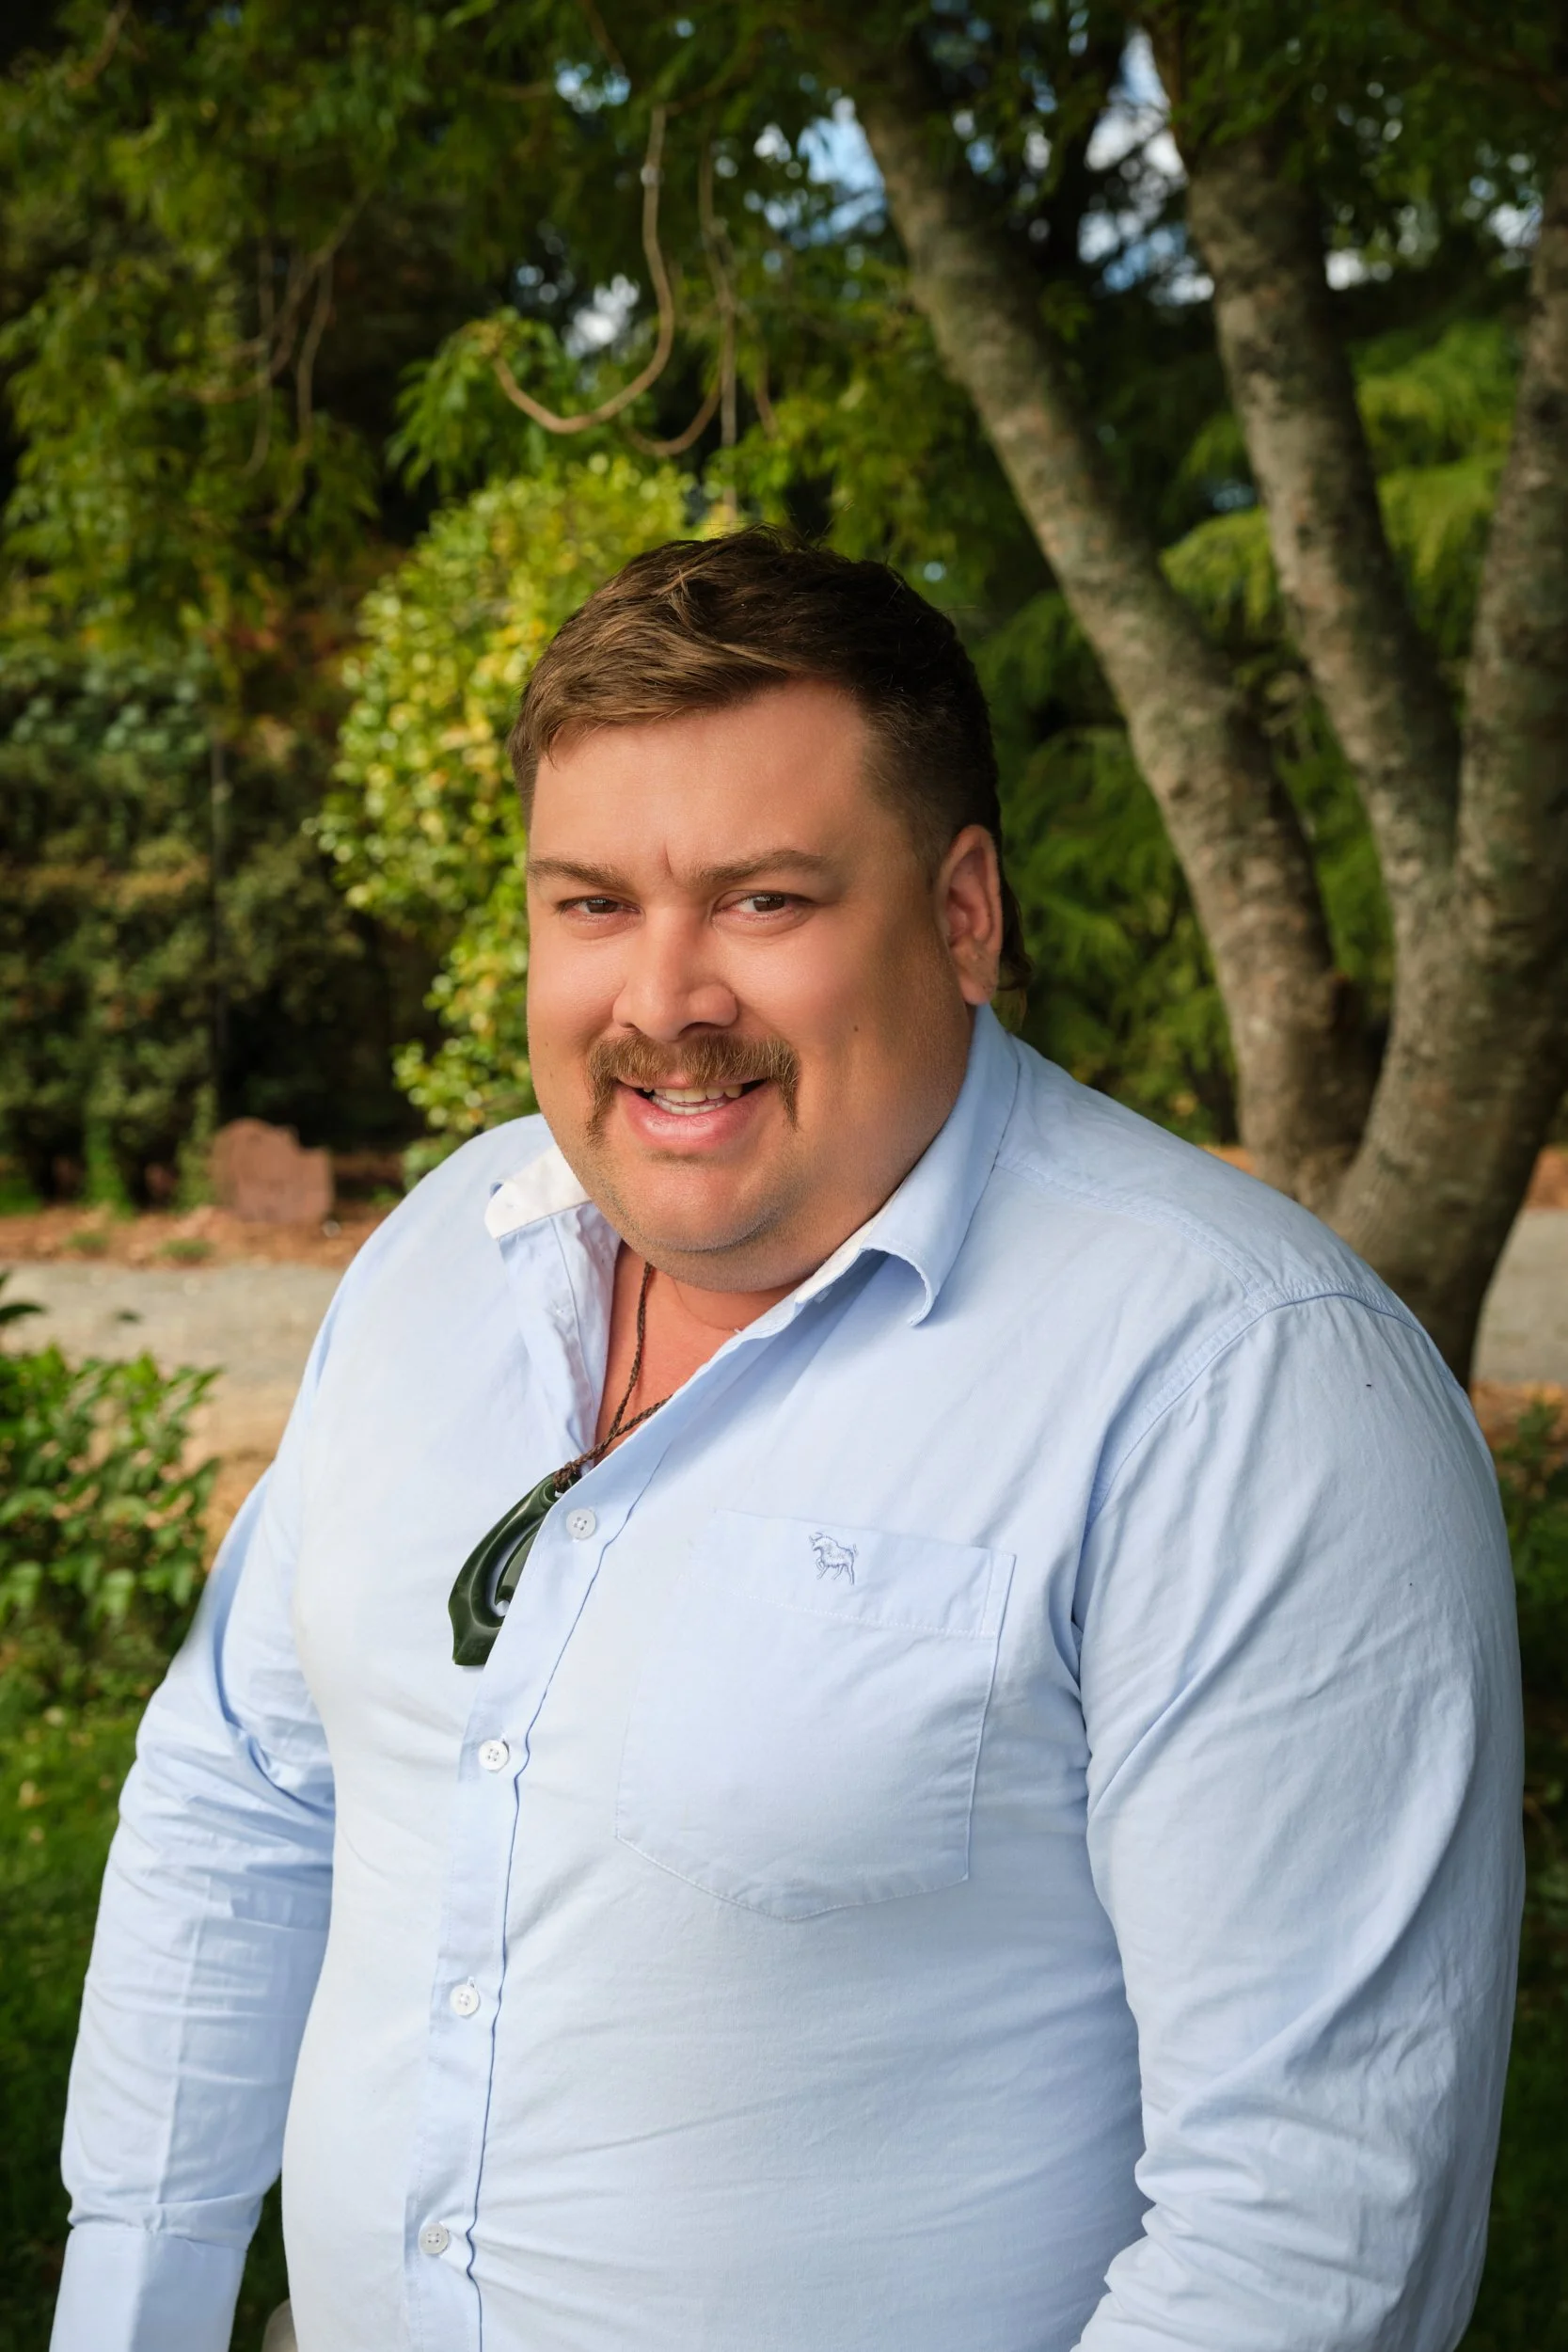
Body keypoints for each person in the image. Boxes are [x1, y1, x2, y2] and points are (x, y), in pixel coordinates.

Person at [52, 531, 1522, 2352]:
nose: (663, 999)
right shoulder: (444, 1252)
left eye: (761, 900)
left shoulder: (1242, 1385)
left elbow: (1307, 2225)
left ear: (963, 913)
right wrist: (134, 2307)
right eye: (592, 904)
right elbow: (241, 1798)